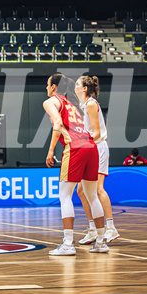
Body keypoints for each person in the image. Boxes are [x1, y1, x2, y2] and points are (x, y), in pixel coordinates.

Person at [43, 73, 107, 256]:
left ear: (54, 87)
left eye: (47, 85)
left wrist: (51, 150)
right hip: (91, 147)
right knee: (91, 195)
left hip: (75, 148)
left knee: (64, 196)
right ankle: (101, 242)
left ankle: (68, 244)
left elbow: (57, 123)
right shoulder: (73, 104)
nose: (46, 88)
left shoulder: (50, 102)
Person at [74, 75, 120, 245]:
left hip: (97, 148)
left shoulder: (91, 104)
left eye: (77, 84)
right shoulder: (83, 105)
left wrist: (80, 142)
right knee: (81, 191)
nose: (75, 86)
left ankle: (111, 228)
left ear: (85, 88)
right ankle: (93, 229)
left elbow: (97, 133)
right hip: (88, 148)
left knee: (98, 189)